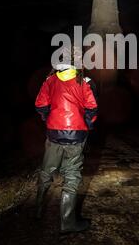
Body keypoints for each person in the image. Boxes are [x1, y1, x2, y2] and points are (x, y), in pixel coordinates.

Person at [34, 53, 98, 234]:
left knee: (46, 169)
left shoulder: (49, 81)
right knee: (71, 175)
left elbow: (40, 104)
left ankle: (38, 209)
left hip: (54, 133)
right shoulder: (83, 81)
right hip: (76, 134)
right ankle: (67, 222)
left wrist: (49, 118)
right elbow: (92, 108)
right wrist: (87, 125)